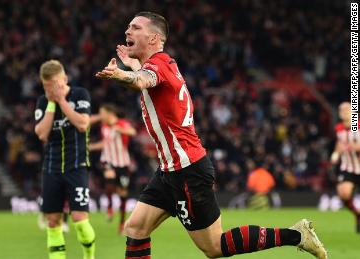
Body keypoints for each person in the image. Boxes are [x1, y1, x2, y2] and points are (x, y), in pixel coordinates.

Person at [96, 11, 327, 259]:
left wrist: (123, 74)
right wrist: (131, 67)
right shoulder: (164, 64)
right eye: (128, 27)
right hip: (168, 170)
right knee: (136, 228)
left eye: (135, 27)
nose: (127, 31)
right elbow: (145, 76)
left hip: (187, 171)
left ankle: (297, 235)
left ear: (153, 38)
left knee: (214, 247)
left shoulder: (158, 65)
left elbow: (143, 80)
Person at [34, 60, 95, 259]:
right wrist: (52, 102)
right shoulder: (43, 102)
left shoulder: (80, 94)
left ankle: (89, 255)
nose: (49, 89)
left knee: (79, 219)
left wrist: (61, 101)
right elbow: (42, 134)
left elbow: (82, 124)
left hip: (76, 166)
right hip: (51, 168)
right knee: (52, 221)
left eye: (53, 84)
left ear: (64, 79)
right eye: (46, 86)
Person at [89, 104, 137, 233]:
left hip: (122, 163)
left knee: (123, 194)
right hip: (108, 160)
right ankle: (110, 207)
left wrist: (120, 130)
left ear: (110, 113)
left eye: (102, 113)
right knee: (109, 181)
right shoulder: (104, 127)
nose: (101, 116)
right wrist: (92, 147)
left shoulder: (121, 123)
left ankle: (122, 223)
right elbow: (106, 143)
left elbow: (132, 131)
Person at [331, 102, 360, 233]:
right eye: (341, 109)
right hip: (348, 167)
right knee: (343, 193)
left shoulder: (356, 124)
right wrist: (336, 153)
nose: (342, 111)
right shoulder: (339, 128)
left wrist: (356, 147)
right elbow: (340, 141)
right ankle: (358, 215)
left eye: (346, 109)